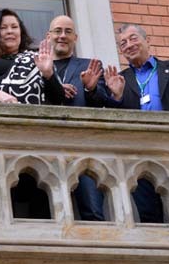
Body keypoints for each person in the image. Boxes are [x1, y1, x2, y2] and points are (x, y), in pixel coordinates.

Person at [95, 23, 169, 223]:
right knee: (149, 215)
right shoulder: (119, 79)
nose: (128, 45)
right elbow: (114, 127)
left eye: (133, 38)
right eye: (123, 43)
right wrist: (116, 97)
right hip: (138, 154)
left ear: (147, 40)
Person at [48, 15, 110, 221]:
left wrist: (90, 88)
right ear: (49, 36)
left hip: (83, 147)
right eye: (57, 31)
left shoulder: (89, 65)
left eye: (67, 32)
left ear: (76, 37)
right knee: (49, 214)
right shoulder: (38, 68)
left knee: (92, 210)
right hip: (47, 147)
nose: (62, 36)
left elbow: (102, 102)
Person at [0, 9, 65, 105]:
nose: (10, 31)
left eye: (14, 27)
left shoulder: (38, 58)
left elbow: (58, 99)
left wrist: (48, 74)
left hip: (36, 117)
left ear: (20, 32)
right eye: (3, 27)